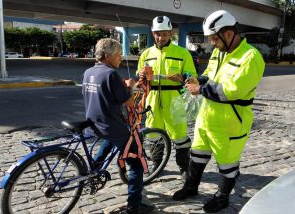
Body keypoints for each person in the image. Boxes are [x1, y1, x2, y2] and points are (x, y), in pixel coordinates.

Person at [172, 10, 265, 213]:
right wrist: (196, 79)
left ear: (229, 34)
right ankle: (191, 186)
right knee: (197, 154)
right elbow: (209, 75)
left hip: (231, 122)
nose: (212, 43)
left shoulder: (251, 57)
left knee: (227, 164)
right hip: (206, 118)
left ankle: (222, 198)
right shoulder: (219, 52)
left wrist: (200, 89)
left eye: (215, 38)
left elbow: (232, 91)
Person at [82, 38, 154, 214]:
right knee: (136, 164)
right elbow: (129, 102)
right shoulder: (111, 74)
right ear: (107, 56)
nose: (120, 58)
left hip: (94, 123)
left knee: (109, 141)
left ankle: (94, 170)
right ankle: (134, 206)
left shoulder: (88, 72)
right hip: (111, 125)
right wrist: (129, 87)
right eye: (118, 55)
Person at [137, 16, 197, 180]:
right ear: (153, 33)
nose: (160, 38)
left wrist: (183, 76)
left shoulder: (182, 53)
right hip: (152, 98)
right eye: (157, 34)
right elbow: (139, 75)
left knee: (180, 136)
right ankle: (158, 166)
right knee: (153, 135)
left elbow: (192, 75)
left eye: (164, 34)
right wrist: (141, 75)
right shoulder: (146, 54)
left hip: (175, 99)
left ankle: (184, 168)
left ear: (170, 33)